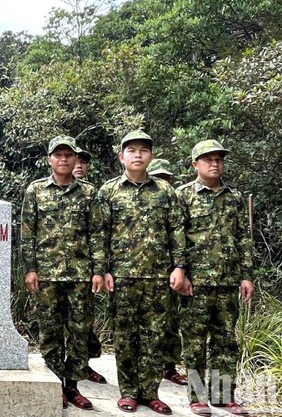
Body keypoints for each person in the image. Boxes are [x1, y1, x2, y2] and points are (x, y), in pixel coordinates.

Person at [90, 130, 187, 415]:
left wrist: (179, 267)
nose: (137, 155)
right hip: (122, 277)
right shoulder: (108, 191)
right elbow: (100, 234)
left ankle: (150, 392)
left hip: (158, 277)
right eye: (131, 150)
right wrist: (102, 269)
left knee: (154, 337)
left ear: (151, 156)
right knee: (125, 336)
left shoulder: (166, 192)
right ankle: (129, 392)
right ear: (121, 157)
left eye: (143, 150)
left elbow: (177, 232)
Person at [21, 136, 102, 410]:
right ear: (50, 159)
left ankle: (73, 385)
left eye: (69, 155)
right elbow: (27, 234)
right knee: (50, 333)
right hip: (46, 275)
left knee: (80, 332)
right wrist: (30, 269)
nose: (64, 159)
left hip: (80, 275)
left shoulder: (89, 193)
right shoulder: (36, 190)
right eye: (59, 154)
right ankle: (55, 384)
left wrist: (98, 271)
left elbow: (97, 234)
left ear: (76, 159)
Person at [177, 140, 254, 416]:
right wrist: (181, 271)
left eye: (219, 159)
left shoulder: (234, 197)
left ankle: (222, 396)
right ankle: (197, 397)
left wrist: (247, 275)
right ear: (195, 164)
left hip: (227, 280)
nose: (214, 164)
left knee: (225, 341)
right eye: (208, 159)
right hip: (195, 284)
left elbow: (244, 238)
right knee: (195, 342)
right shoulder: (184, 196)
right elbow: (177, 238)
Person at [145, 158, 189, 386]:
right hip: (146, 273)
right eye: (159, 178)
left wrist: (181, 268)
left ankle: (170, 366)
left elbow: (181, 236)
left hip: (175, 272)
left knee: (172, 321)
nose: (164, 182)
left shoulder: (178, 199)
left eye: (167, 178)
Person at [71, 147, 108, 384]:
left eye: (84, 162)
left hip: (85, 271)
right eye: (78, 160)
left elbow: (99, 233)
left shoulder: (94, 194)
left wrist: (99, 269)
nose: (79, 165)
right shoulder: (42, 190)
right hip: (56, 272)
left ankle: (82, 364)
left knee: (84, 322)